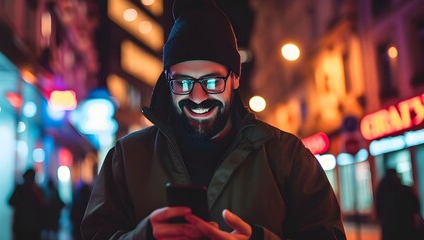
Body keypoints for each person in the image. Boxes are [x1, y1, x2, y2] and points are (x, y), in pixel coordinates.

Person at [81, 0, 345, 239]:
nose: (197, 96)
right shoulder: (127, 158)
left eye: (211, 81)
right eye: (183, 82)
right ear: (167, 80)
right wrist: (144, 237)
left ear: (235, 78)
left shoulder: (287, 157)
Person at [376, 168, 424, 240]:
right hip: (406, 226)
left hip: (389, 228)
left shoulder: (381, 191)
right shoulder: (405, 190)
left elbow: (378, 208)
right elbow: (415, 207)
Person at [8, 168, 48, 240]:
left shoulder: (20, 189)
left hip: (22, 226)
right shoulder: (37, 190)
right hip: (33, 227)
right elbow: (44, 207)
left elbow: (10, 202)